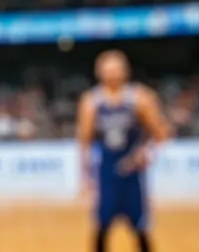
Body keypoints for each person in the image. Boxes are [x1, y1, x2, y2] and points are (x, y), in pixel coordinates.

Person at [77, 50, 169, 252]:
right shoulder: (92, 101)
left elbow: (161, 132)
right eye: (108, 69)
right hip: (106, 171)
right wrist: (85, 176)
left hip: (132, 172)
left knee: (139, 226)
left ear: (126, 70)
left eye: (116, 69)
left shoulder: (139, 97)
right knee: (102, 225)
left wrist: (145, 152)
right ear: (99, 72)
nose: (112, 74)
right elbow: (84, 141)